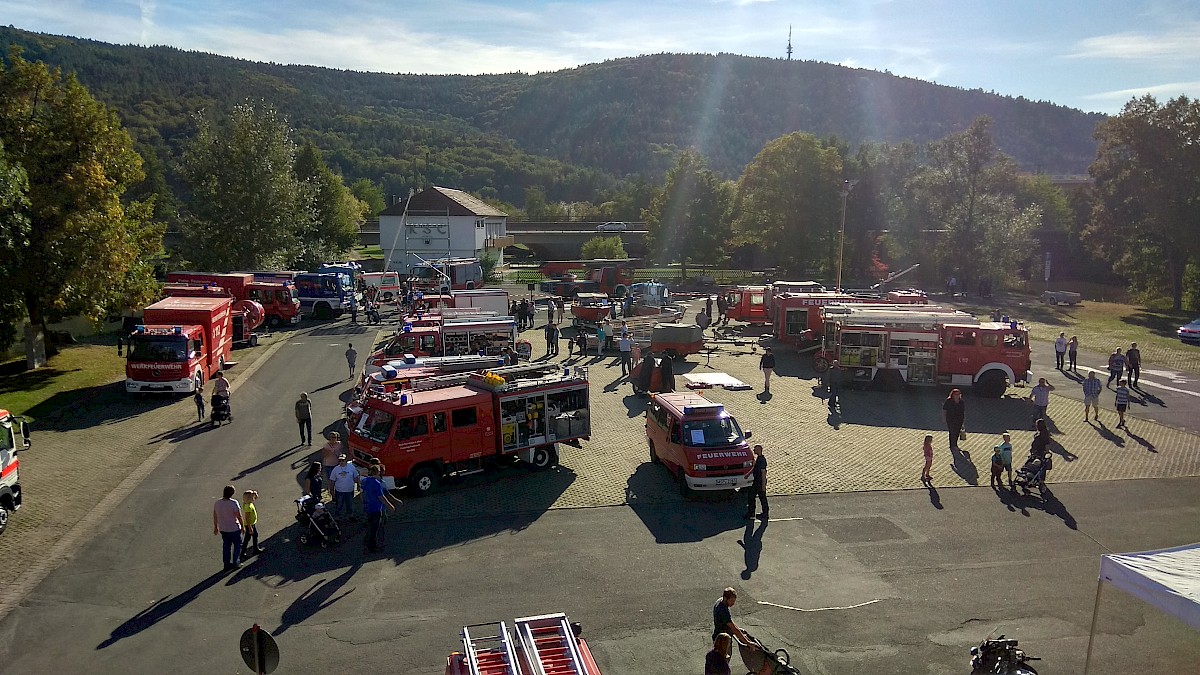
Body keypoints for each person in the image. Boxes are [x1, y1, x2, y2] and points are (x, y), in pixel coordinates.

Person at [361, 465, 398, 553]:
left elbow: (362, 493)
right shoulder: (377, 483)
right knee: (375, 528)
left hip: (368, 507)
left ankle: (367, 542)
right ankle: (372, 546)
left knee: (370, 526)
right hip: (376, 508)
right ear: (378, 472)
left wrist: (364, 503)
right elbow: (381, 497)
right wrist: (390, 506)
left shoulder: (365, 481)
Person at [213, 485, 245, 572]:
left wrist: (216, 526)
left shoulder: (217, 503)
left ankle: (226, 564)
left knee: (226, 546)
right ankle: (236, 562)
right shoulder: (234, 503)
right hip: (234, 528)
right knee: (237, 545)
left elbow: (215, 515)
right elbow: (239, 516)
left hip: (223, 528)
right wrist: (242, 526)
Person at [329, 454, 361, 520]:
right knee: (339, 505)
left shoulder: (351, 467)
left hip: (349, 490)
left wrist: (358, 485)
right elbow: (332, 480)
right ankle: (337, 517)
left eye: (342, 460)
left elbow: (356, 476)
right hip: (339, 491)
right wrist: (331, 491)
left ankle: (350, 516)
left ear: (346, 460)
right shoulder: (336, 469)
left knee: (350, 504)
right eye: (339, 460)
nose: (341, 462)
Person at [744, 445, 768, 520]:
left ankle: (764, 514)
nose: (753, 450)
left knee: (762, 498)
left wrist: (763, 486)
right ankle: (752, 513)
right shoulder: (759, 458)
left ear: (759, 450)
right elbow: (754, 467)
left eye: (755, 449)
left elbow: (763, 472)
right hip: (756, 481)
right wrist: (748, 474)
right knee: (751, 497)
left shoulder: (762, 460)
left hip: (760, 483)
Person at [240, 489, 264, 561]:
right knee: (247, 538)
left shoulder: (248, 503)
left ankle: (255, 548)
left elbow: (256, 497)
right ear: (249, 498)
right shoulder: (248, 507)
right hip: (249, 525)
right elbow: (247, 518)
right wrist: (250, 527)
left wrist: (254, 493)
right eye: (252, 497)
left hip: (252, 524)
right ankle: (243, 552)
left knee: (255, 535)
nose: (254, 498)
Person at [942, 389, 966, 454]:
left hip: (959, 419)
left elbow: (963, 411)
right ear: (953, 395)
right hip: (950, 419)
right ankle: (952, 445)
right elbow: (944, 410)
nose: (957, 396)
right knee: (952, 432)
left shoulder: (961, 402)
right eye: (956, 394)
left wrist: (963, 420)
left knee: (957, 432)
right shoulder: (949, 401)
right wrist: (944, 418)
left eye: (959, 394)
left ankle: (955, 444)